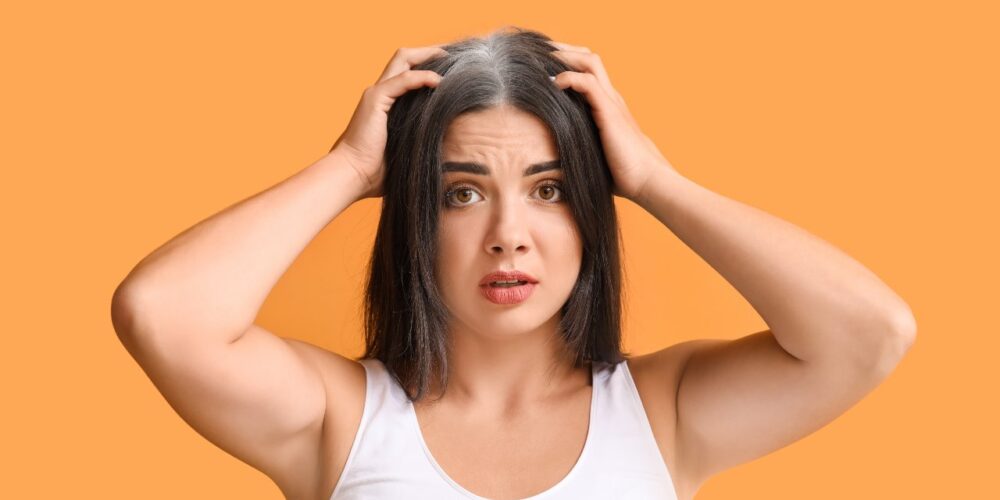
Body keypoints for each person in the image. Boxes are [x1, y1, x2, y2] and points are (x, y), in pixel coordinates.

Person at [111, 26, 917, 500]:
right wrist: (351, 170)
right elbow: (162, 314)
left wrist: (654, 181)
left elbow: (870, 333)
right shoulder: (337, 417)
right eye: (460, 193)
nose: (509, 234)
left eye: (552, 189)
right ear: (415, 219)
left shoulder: (664, 412)